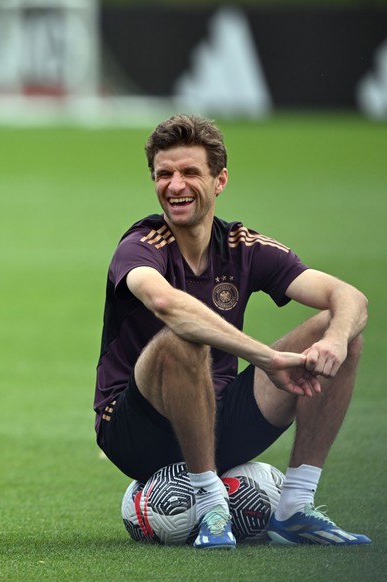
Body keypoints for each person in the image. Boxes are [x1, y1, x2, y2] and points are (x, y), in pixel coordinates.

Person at [93, 114, 371, 549]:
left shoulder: (243, 246)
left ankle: (295, 506)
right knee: (181, 336)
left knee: (344, 330)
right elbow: (167, 304)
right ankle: (210, 504)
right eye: (163, 174)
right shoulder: (141, 245)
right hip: (136, 428)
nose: (175, 185)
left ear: (219, 180)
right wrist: (267, 357)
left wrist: (334, 342)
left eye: (189, 172)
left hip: (221, 418)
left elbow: (349, 296)